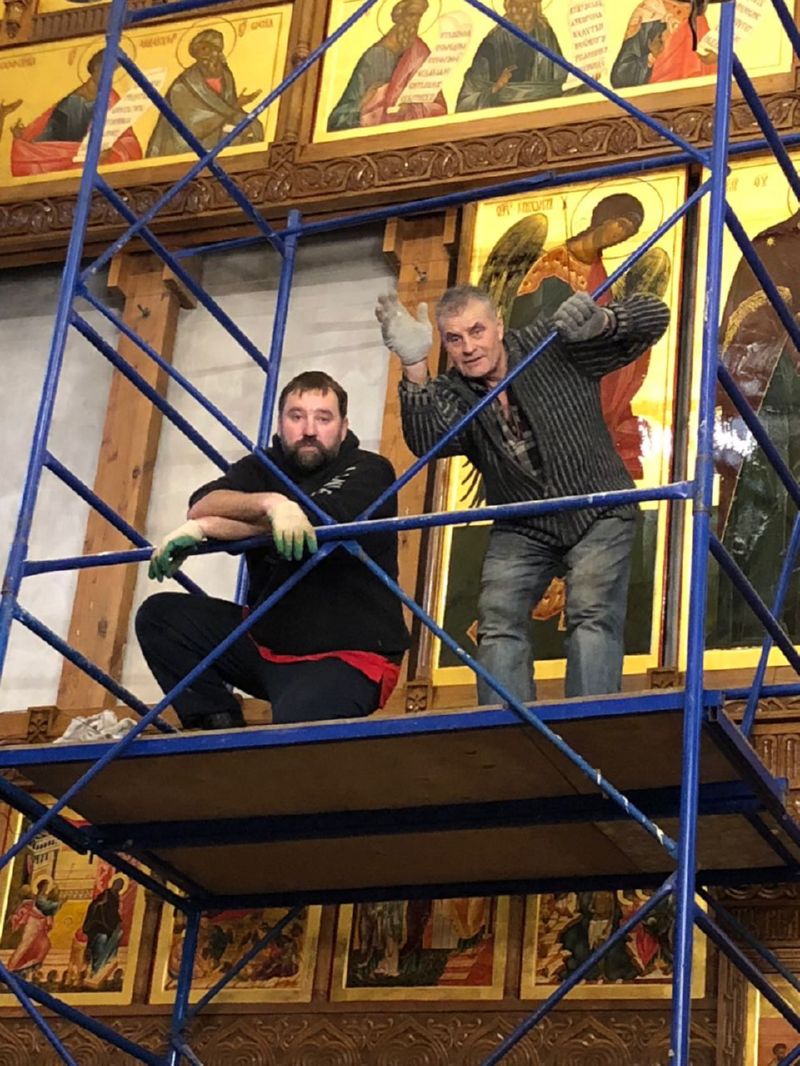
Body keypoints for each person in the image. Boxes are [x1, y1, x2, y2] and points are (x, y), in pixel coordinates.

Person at [377, 284, 669, 705]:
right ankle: (507, 731)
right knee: (497, 619)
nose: (468, 348)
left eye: (477, 331)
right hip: (523, 523)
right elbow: (428, 441)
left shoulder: (552, 343)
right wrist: (414, 364)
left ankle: (592, 723)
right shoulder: (455, 390)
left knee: (592, 610)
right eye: (454, 339)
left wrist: (604, 322)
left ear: (498, 325)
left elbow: (654, 317)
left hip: (598, 505)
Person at [137, 370, 410, 730]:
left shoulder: (370, 469)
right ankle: (217, 727)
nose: (309, 430)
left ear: (344, 428)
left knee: (291, 733)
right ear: (280, 425)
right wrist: (271, 504)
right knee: (159, 616)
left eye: (323, 418)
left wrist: (210, 527)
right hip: (268, 644)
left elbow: (315, 519)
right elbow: (203, 502)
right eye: (296, 416)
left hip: (348, 656)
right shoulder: (262, 467)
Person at [10, 49, 142, 177]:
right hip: (69, 157)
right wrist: (26, 137)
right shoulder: (73, 100)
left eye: (112, 71)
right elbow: (53, 133)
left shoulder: (111, 97)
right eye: (104, 69)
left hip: (100, 159)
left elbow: (126, 136)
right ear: (95, 68)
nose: (108, 75)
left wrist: (112, 148)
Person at [327, 0, 447, 131]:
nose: (415, 22)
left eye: (419, 16)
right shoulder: (374, 57)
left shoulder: (420, 51)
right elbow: (338, 119)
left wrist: (412, 106)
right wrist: (367, 101)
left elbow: (437, 103)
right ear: (399, 17)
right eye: (411, 15)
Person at [146, 29, 262, 157]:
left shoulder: (226, 76)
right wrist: (236, 106)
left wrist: (239, 113)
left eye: (214, 49)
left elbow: (227, 108)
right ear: (196, 54)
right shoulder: (182, 86)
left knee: (254, 125)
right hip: (186, 142)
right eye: (204, 50)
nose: (211, 55)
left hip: (220, 128)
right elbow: (191, 125)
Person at [456, 0, 567, 113]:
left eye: (526, 5)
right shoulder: (493, 42)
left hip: (544, 106)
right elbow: (470, 93)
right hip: (505, 110)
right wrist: (496, 87)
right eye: (515, 5)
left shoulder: (545, 35)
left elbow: (560, 75)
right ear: (507, 7)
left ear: (535, 8)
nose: (519, 11)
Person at [610, 0, 717, 89]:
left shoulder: (697, 15)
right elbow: (620, 76)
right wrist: (651, 57)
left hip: (696, 97)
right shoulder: (647, 14)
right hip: (657, 100)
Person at [82, 877, 125, 976]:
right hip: (98, 922)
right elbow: (94, 905)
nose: (118, 887)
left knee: (115, 937)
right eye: (118, 884)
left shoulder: (116, 897)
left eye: (120, 886)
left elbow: (114, 912)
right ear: (114, 884)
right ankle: (95, 967)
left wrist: (118, 920)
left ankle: (104, 964)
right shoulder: (106, 894)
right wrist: (100, 903)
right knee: (101, 939)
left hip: (110, 924)